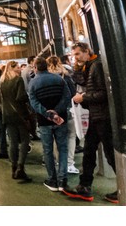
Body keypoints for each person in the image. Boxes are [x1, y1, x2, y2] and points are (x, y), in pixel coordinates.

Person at [64, 42, 118, 203]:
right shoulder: (90, 65)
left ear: (87, 51)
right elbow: (83, 81)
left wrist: (84, 97)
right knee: (88, 151)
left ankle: (124, 186)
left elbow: (103, 93)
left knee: (109, 154)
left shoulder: (97, 66)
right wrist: (77, 66)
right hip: (97, 116)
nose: (76, 58)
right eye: (74, 55)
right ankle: (84, 186)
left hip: (103, 117)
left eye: (78, 54)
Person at [29, 56, 71, 193]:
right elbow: (67, 96)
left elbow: (34, 103)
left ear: (35, 67)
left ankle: (52, 180)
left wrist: (48, 114)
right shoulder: (59, 79)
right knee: (63, 149)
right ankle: (63, 180)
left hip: (44, 121)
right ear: (46, 66)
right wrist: (57, 112)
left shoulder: (33, 83)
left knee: (48, 151)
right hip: (61, 119)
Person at [0, 61, 31, 182]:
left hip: (6, 115)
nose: (19, 69)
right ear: (12, 68)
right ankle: (21, 168)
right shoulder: (18, 80)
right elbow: (21, 97)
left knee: (12, 142)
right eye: (17, 67)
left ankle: (14, 168)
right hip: (19, 114)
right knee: (24, 141)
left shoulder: (1, 82)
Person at [47, 56, 79, 175]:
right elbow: (73, 94)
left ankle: (59, 161)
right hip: (68, 110)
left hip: (53, 113)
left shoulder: (47, 78)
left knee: (57, 137)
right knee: (71, 135)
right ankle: (69, 163)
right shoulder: (66, 77)